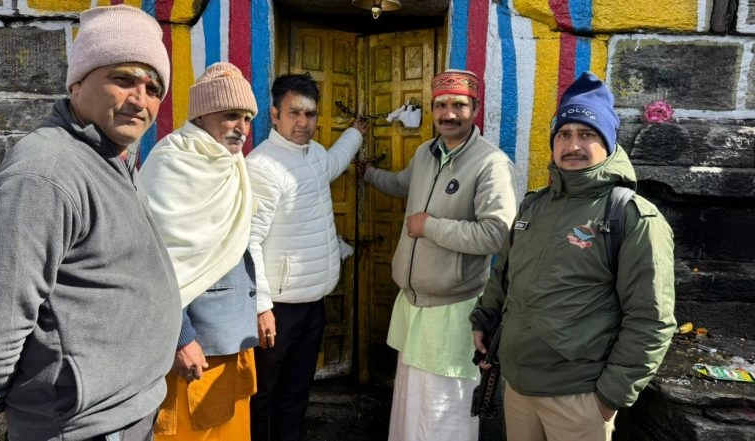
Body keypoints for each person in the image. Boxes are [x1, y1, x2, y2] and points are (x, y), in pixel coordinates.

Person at [0, 5, 182, 440]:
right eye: (123, 79)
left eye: (153, 87)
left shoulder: (110, 158)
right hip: (79, 424)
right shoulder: (46, 174)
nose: (140, 99)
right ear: (79, 81)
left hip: (121, 409)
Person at [471, 72, 676, 441]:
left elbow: (651, 319)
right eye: (564, 134)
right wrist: (484, 317)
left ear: (608, 143)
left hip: (579, 397)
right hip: (517, 388)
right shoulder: (534, 206)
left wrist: (609, 398)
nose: (573, 145)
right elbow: (504, 272)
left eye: (587, 134)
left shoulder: (630, 216)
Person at [361, 69, 517, 441]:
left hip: (453, 310)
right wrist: (368, 174)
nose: (449, 113)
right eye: (441, 105)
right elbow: (402, 183)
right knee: (411, 405)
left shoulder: (491, 164)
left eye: (459, 105)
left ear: (475, 108)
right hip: (413, 305)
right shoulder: (426, 153)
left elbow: (498, 234)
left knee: (444, 412)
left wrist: (430, 226)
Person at [140, 62, 260, 440]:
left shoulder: (229, 163)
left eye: (246, 117)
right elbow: (154, 264)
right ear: (202, 114)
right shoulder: (173, 163)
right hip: (192, 343)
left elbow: (237, 246)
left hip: (230, 335)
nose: (241, 127)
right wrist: (181, 337)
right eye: (230, 116)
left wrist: (259, 305)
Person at [246, 73, 368, 441]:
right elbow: (249, 241)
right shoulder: (262, 166)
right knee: (262, 395)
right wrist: (261, 307)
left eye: (310, 114)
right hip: (277, 310)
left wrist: (356, 133)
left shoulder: (313, 154)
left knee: (297, 391)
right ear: (275, 114)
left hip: (312, 303)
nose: (303, 123)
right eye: (294, 113)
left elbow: (331, 165)